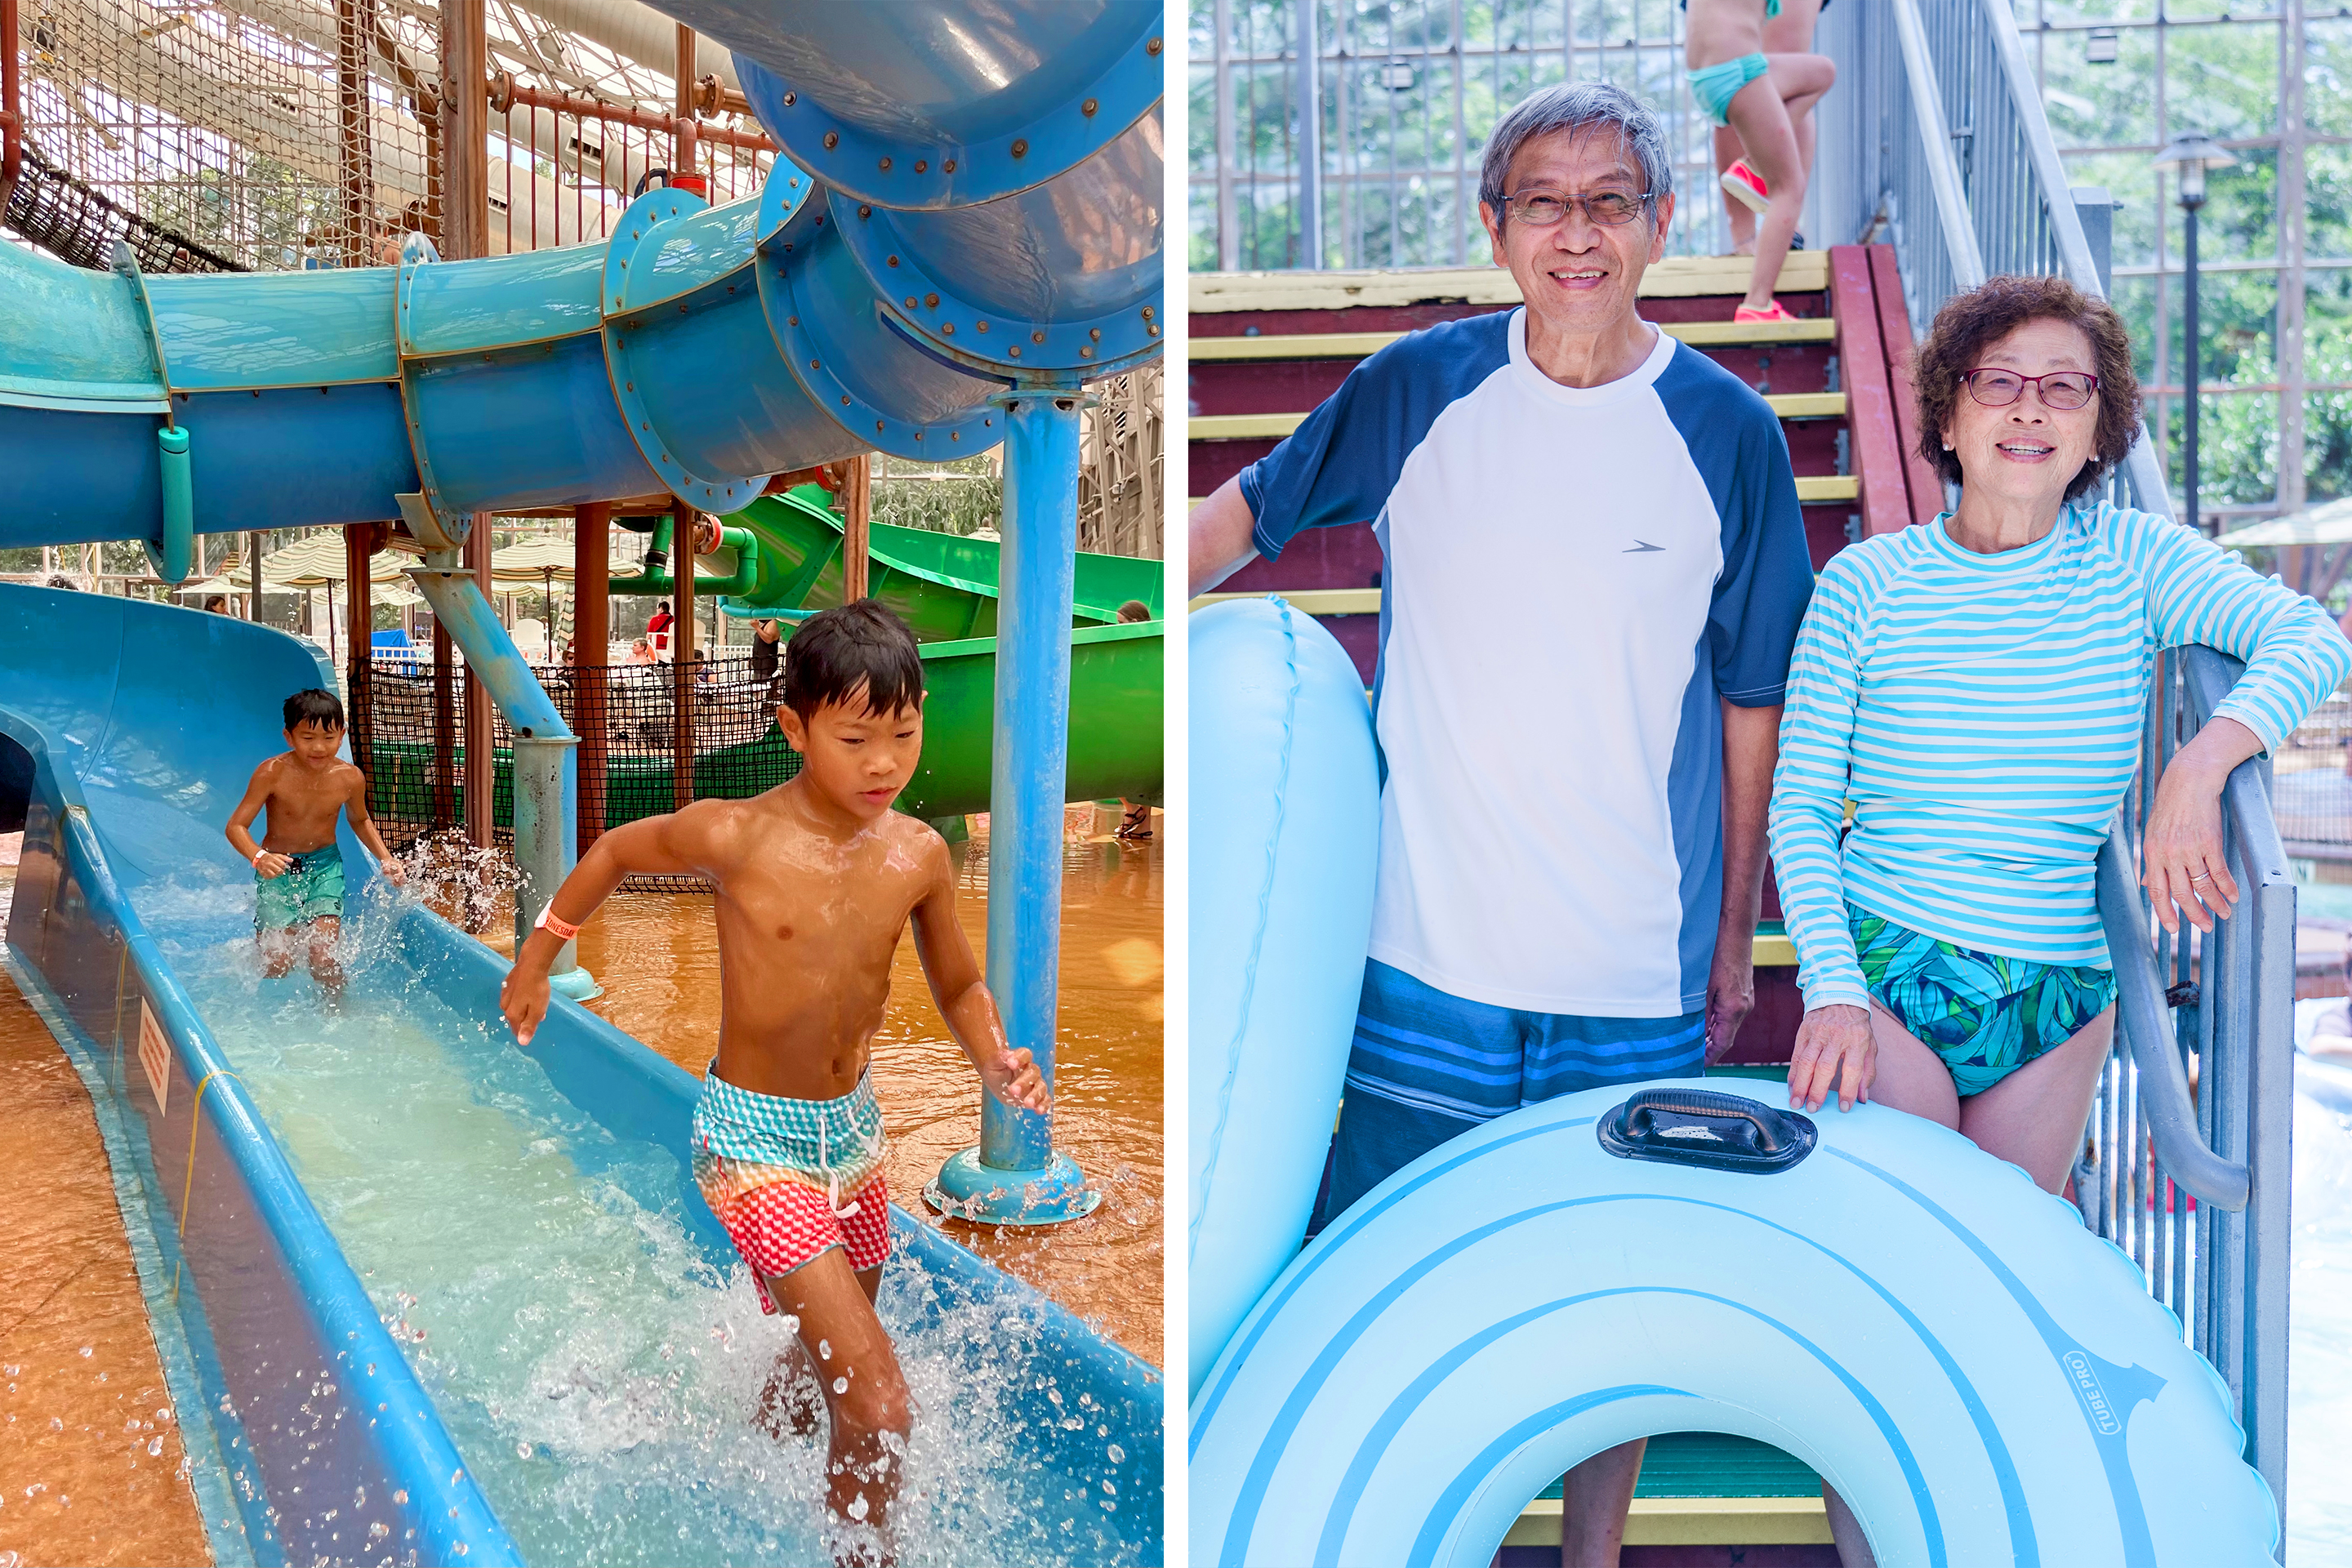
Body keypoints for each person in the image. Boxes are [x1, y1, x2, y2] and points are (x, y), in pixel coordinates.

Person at [1188, 81, 1813, 1568]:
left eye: (1611, 202)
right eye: (1545, 201)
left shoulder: (1727, 432)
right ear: (1496, 227)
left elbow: (1752, 702)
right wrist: (1132, 617)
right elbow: (1242, 518)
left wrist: (1733, 938)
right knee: (1379, 1281)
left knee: (1616, 1294)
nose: (1578, 232)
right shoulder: (1422, 387)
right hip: (1424, 955)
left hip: (1630, 976)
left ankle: (1589, 1556)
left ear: (1663, 225)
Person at [1766, 273, 2352, 1566]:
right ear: (1951, 411)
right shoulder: (1867, 584)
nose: (2030, 411)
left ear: (2101, 427)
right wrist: (1830, 984)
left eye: (2064, 389)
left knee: (1996, 1312)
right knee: (1893, 1307)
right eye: (2001, 383)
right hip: (1891, 973)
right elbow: (1802, 811)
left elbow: (2309, 635)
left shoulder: (2137, 564)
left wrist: (2204, 765)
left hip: (2056, 999)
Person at [498, 599, 1050, 1565]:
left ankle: (750, 1450)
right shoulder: (738, 836)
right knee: (879, 1402)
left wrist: (994, 1056)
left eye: (904, 735)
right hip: (752, 1139)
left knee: (827, 1357)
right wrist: (538, 956)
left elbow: (958, 982)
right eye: (855, 739)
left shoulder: (918, 854)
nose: (884, 764)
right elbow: (619, 850)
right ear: (794, 728)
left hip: (854, 1138)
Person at [224, 688, 408, 998]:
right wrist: (258, 857)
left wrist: (385, 858)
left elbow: (360, 819)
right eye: (308, 738)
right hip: (278, 868)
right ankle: (269, 1007)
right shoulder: (272, 773)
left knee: (323, 956)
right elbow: (236, 826)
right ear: (289, 737)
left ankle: (339, 1014)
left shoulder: (350, 777)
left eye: (329, 738)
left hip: (325, 866)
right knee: (278, 963)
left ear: (342, 735)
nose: (319, 748)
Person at [1683, 0, 1834, 322]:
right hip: (1738, 70)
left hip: (1708, 75)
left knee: (1821, 71)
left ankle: (1753, 165)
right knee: (1789, 189)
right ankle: (1757, 303)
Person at [1114, 600, 1156, 839]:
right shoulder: (1149, 644)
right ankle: (1141, 822)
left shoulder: (1134, 646)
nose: (1116, 628)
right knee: (1143, 770)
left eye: (1120, 623)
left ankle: (1131, 811)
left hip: (1136, 713)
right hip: (1144, 713)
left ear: (1135, 622)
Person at [648, 598, 675, 662]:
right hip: (673, 648)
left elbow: (649, 635)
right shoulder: (674, 620)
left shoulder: (654, 619)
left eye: (657, 609)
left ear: (661, 609)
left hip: (658, 648)